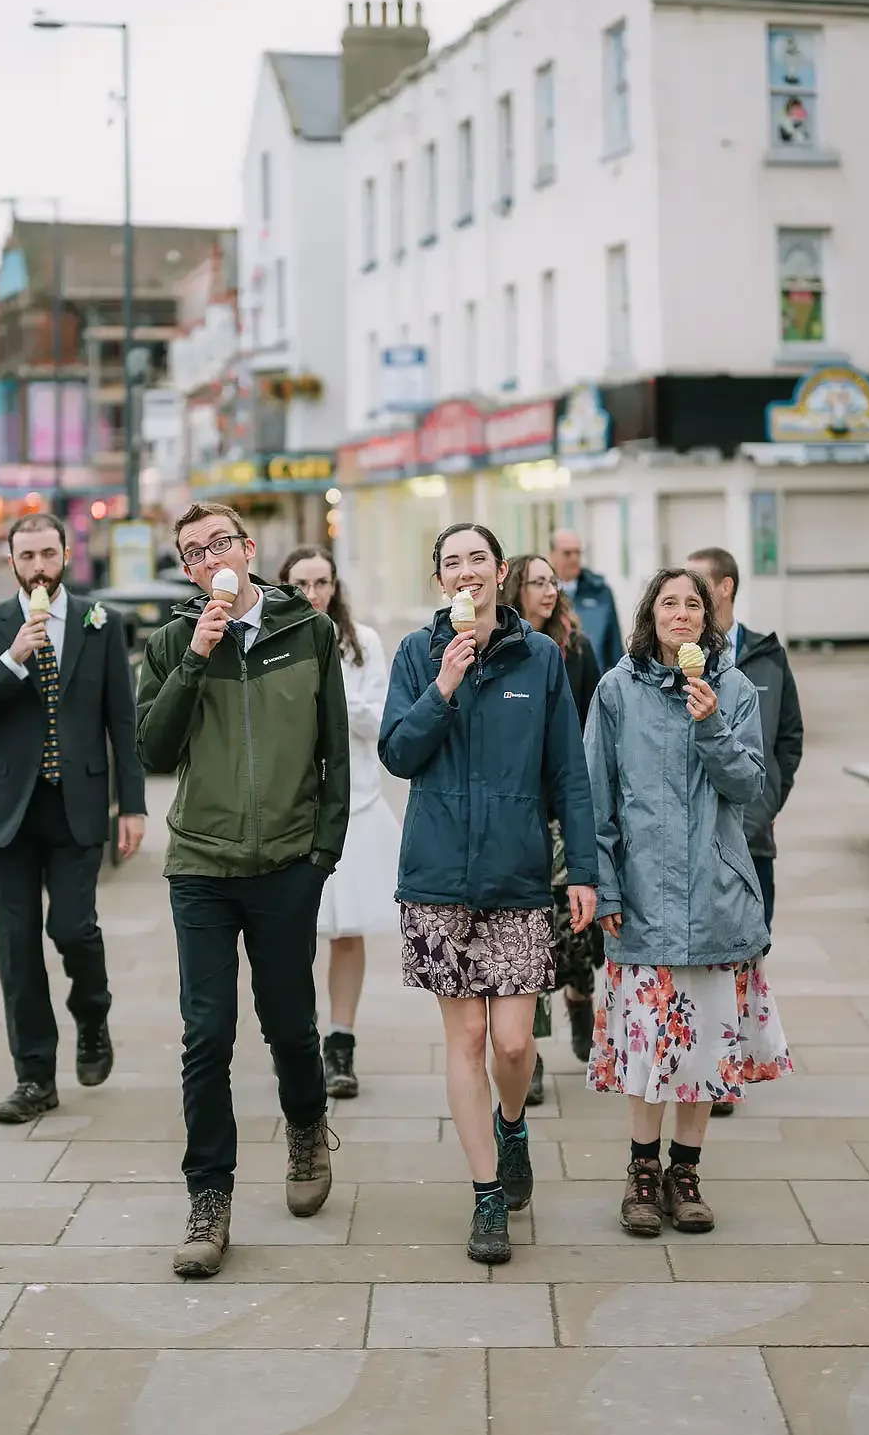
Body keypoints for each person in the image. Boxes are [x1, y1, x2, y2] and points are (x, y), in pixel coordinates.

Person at [136, 503, 350, 1280]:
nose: (209, 558)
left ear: (249, 548)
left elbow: (334, 749)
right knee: (206, 1033)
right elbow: (152, 748)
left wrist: (323, 850)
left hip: (288, 863)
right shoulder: (172, 641)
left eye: (220, 543)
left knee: (289, 1023)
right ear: (187, 569)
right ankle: (209, 1196)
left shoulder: (309, 632)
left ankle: (306, 1126)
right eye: (194, 551)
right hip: (201, 863)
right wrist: (196, 656)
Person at [379, 523, 598, 1265]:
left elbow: (568, 772)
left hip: (517, 877)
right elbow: (398, 752)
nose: (466, 571)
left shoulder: (539, 657)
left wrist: (584, 869)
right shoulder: (417, 653)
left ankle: (512, 1123)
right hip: (438, 878)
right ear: (440, 579)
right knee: (467, 1039)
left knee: (512, 1042)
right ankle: (486, 1195)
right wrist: (443, 684)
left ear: (501, 572)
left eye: (478, 558)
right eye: (452, 562)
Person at [585, 567, 792, 1238]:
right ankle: (642, 1171)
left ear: (708, 617)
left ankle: (686, 1170)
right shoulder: (616, 690)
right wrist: (605, 885)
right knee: (647, 1047)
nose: (681, 613)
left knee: (704, 1046)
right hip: (642, 895)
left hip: (715, 894)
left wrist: (711, 725)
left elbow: (749, 786)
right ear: (651, 615)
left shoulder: (733, 688)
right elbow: (596, 797)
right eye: (669, 603)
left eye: (693, 604)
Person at [0, 512, 146, 1124]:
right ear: (12, 561)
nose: (39, 567)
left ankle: (93, 1014)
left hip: (76, 808)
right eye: (27, 556)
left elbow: (122, 720)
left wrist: (132, 805)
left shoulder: (99, 622)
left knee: (72, 929)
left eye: (48, 554)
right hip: (4, 814)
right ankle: (34, 1076)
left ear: (66, 555)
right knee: (17, 948)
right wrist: (10, 660)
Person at [278, 543, 400, 1100]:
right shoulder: (270, 641)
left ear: (335, 586)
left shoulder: (362, 642)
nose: (312, 594)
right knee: (292, 932)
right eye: (300, 584)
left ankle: (340, 1042)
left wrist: (331, 694)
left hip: (353, 802)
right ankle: (297, 1040)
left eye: (321, 583)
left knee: (347, 929)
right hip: (288, 806)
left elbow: (379, 720)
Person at [685, 547, 804, 1117]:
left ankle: (728, 1064)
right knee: (702, 961)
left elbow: (789, 739)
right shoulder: (675, 659)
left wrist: (769, 803)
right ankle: (706, 1068)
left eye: (699, 586)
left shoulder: (766, 656)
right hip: (696, 841)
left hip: (752, 838)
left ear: (725, 587)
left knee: (746, 953)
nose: (688, 601)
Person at [500, 554, 603, 1106]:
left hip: (564, 807)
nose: (548, 590)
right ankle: (532, 1055)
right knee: (530, 934)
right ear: (515, 588)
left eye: (551, 582)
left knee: (573, 926)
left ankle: (581, 997)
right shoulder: (503, 649)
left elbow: (593, 724)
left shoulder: (574, 648)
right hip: (522, 811)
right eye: (536, 581)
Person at [547, 528, 624, 676]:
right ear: (552, 555)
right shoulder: (545, 594)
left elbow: (615, 647)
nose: (574, 558)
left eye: (578, 553)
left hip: (596, 680)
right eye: (567, 553)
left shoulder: (600, 593)